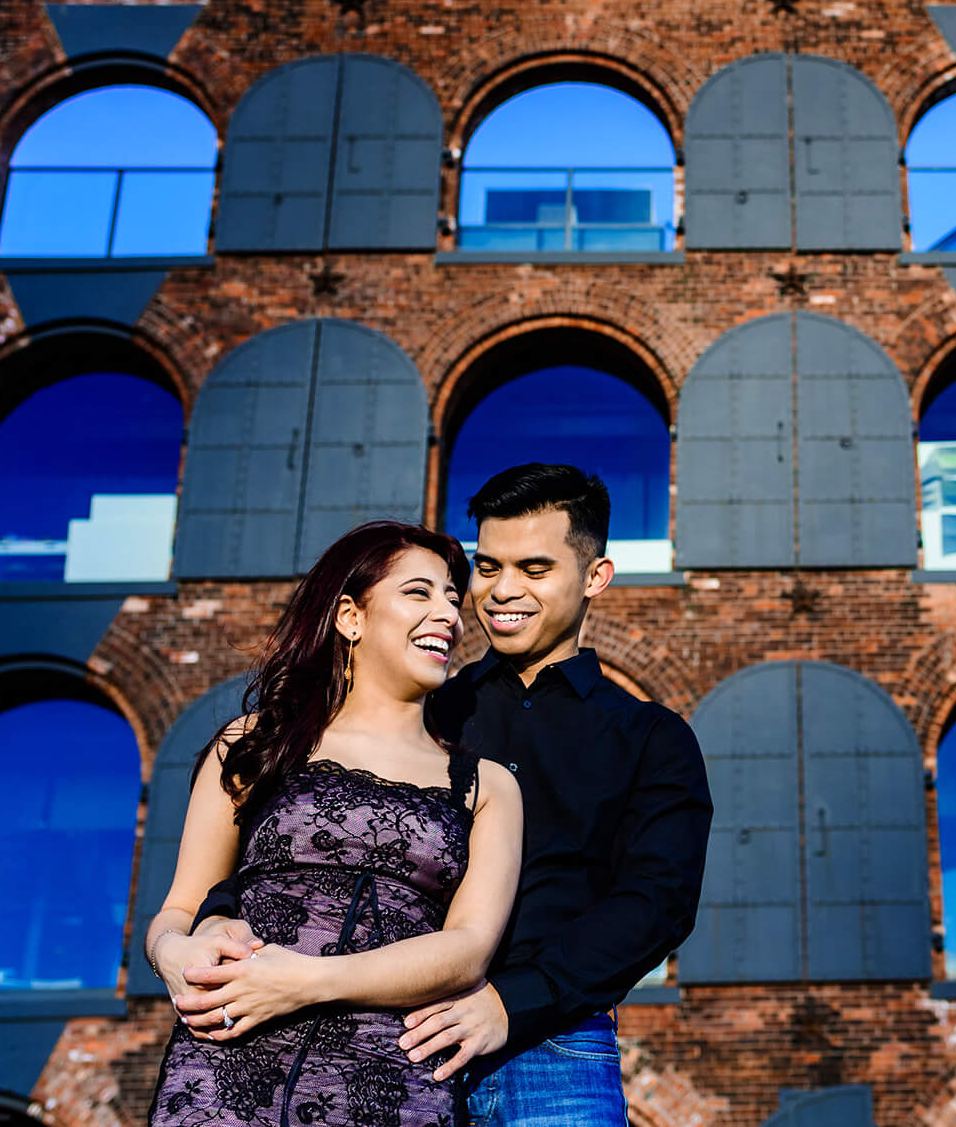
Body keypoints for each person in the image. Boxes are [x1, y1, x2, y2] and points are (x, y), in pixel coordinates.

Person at [180, 463, 713, 1127]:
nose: (501, 590)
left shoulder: (651, 735)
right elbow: (301, 818)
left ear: (596, 576)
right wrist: (219, 910)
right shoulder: (425, 711)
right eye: (488, 567)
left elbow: (656, 905)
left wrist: (511, 1002)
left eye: (535, 568)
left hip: (551, 1049)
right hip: (385, 1031)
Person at [144, 520, 522, 1127]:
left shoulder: (487, 786)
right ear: (351, 617)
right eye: (419, 593)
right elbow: (179, 907)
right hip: (225, 1064)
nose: (449, 615)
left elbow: (468, 952)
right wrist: (173, 956)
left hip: (389, 1082)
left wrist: (305, 981)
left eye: (453, 598)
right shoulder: (252, 743)